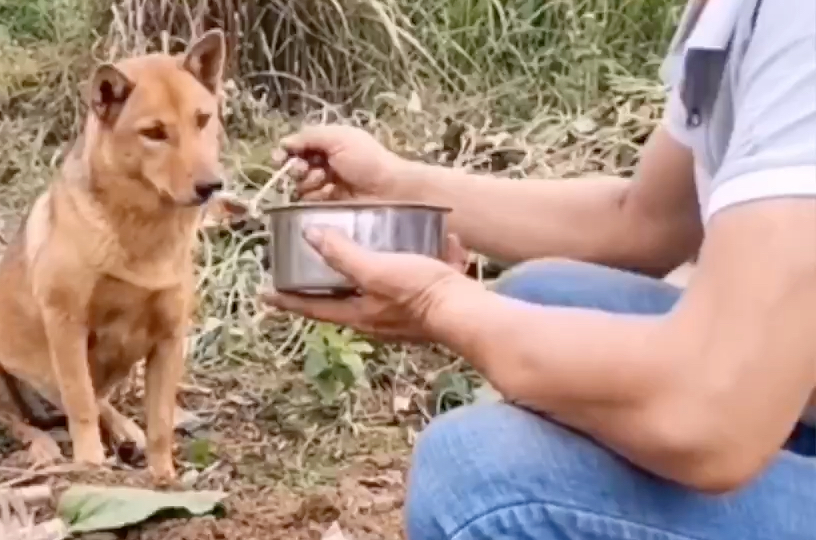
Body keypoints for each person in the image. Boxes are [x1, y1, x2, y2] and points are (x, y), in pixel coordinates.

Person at [262, 0, 816, 538]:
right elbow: (642, 221)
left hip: (728, 412)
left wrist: (441, 304)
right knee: (542, 295)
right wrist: (394, 182)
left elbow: (711, 411)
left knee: (475, 477)